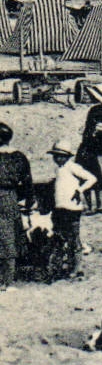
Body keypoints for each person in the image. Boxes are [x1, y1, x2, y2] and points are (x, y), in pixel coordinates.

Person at [48, 140, 96, 279]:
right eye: (55, 156)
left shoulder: (73, 167)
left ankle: (75, 268)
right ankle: (64, 266)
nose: (57, 158)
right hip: (60, 208)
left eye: (61, 156)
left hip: (72, 209)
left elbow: (91, 178)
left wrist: (79, 190)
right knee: (60, 237)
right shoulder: (59, 169)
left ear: (67, 156)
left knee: (74, 238)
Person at [0, 122, 34, 286]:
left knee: (5, 237)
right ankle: (9, 278)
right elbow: (27, 182)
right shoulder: (19, 157)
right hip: (11, 198)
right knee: (11, 236)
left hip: (3, 198)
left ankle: (5, 280)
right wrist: (26, 200)